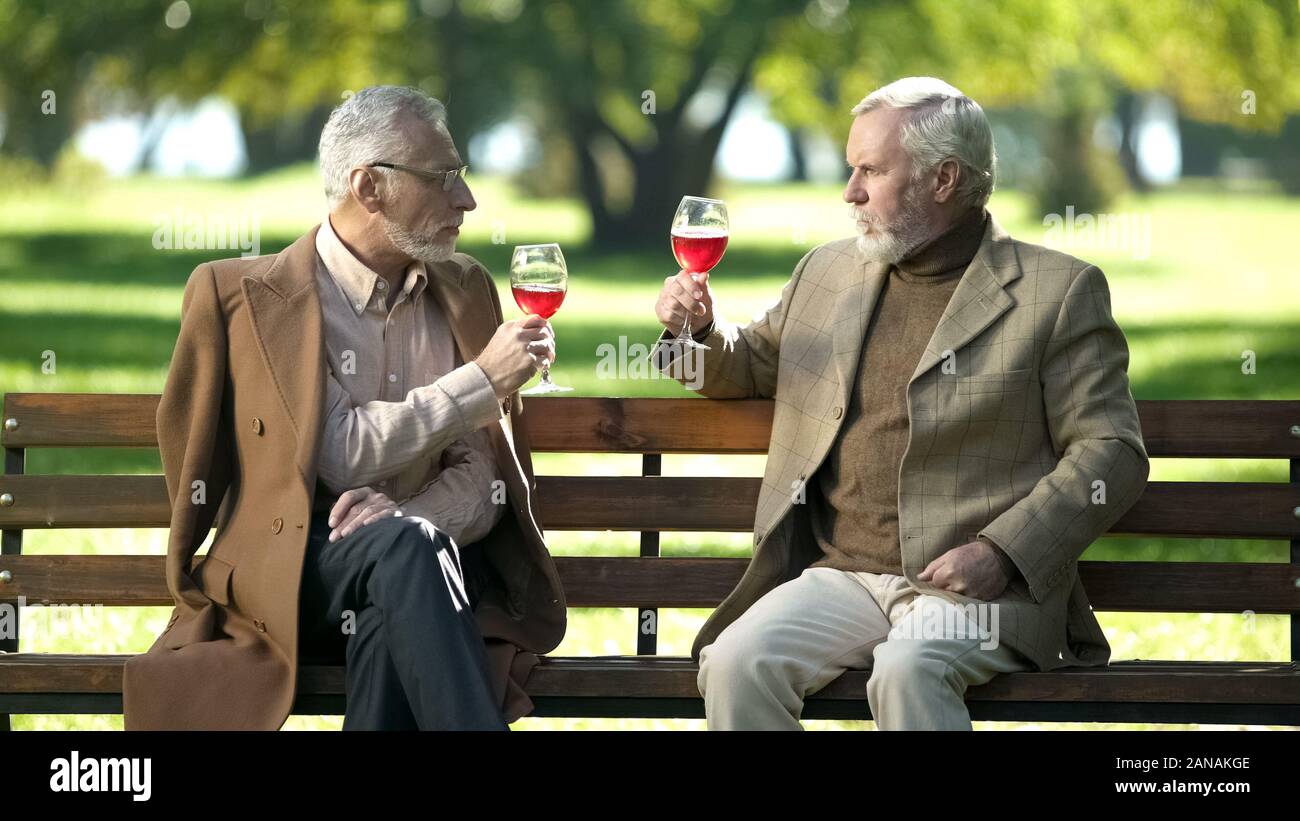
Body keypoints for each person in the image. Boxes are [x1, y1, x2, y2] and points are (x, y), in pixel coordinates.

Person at [652, 76, 1149, 730]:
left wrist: (1001, 551)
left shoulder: (1057, 292)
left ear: (943, 179)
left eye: (870, 170)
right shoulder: (828, 271)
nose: (849, 192)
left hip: (975, 587)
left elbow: (1111, 452)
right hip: (843, 576)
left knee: (909, 669)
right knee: (736, 662)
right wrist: (694, 332)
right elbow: (749, 363)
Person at [124, 85, 566, 730]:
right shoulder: (249, 296)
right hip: (295, 580)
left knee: (401, 578)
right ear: (369, 187)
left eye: (462, 177)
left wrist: (408, 519)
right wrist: (481, 382)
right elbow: (335, 450)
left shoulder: (465, 287)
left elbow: (483, 474)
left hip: (417, 578)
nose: (466, 199)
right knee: (405, 561)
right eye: (444, 178)